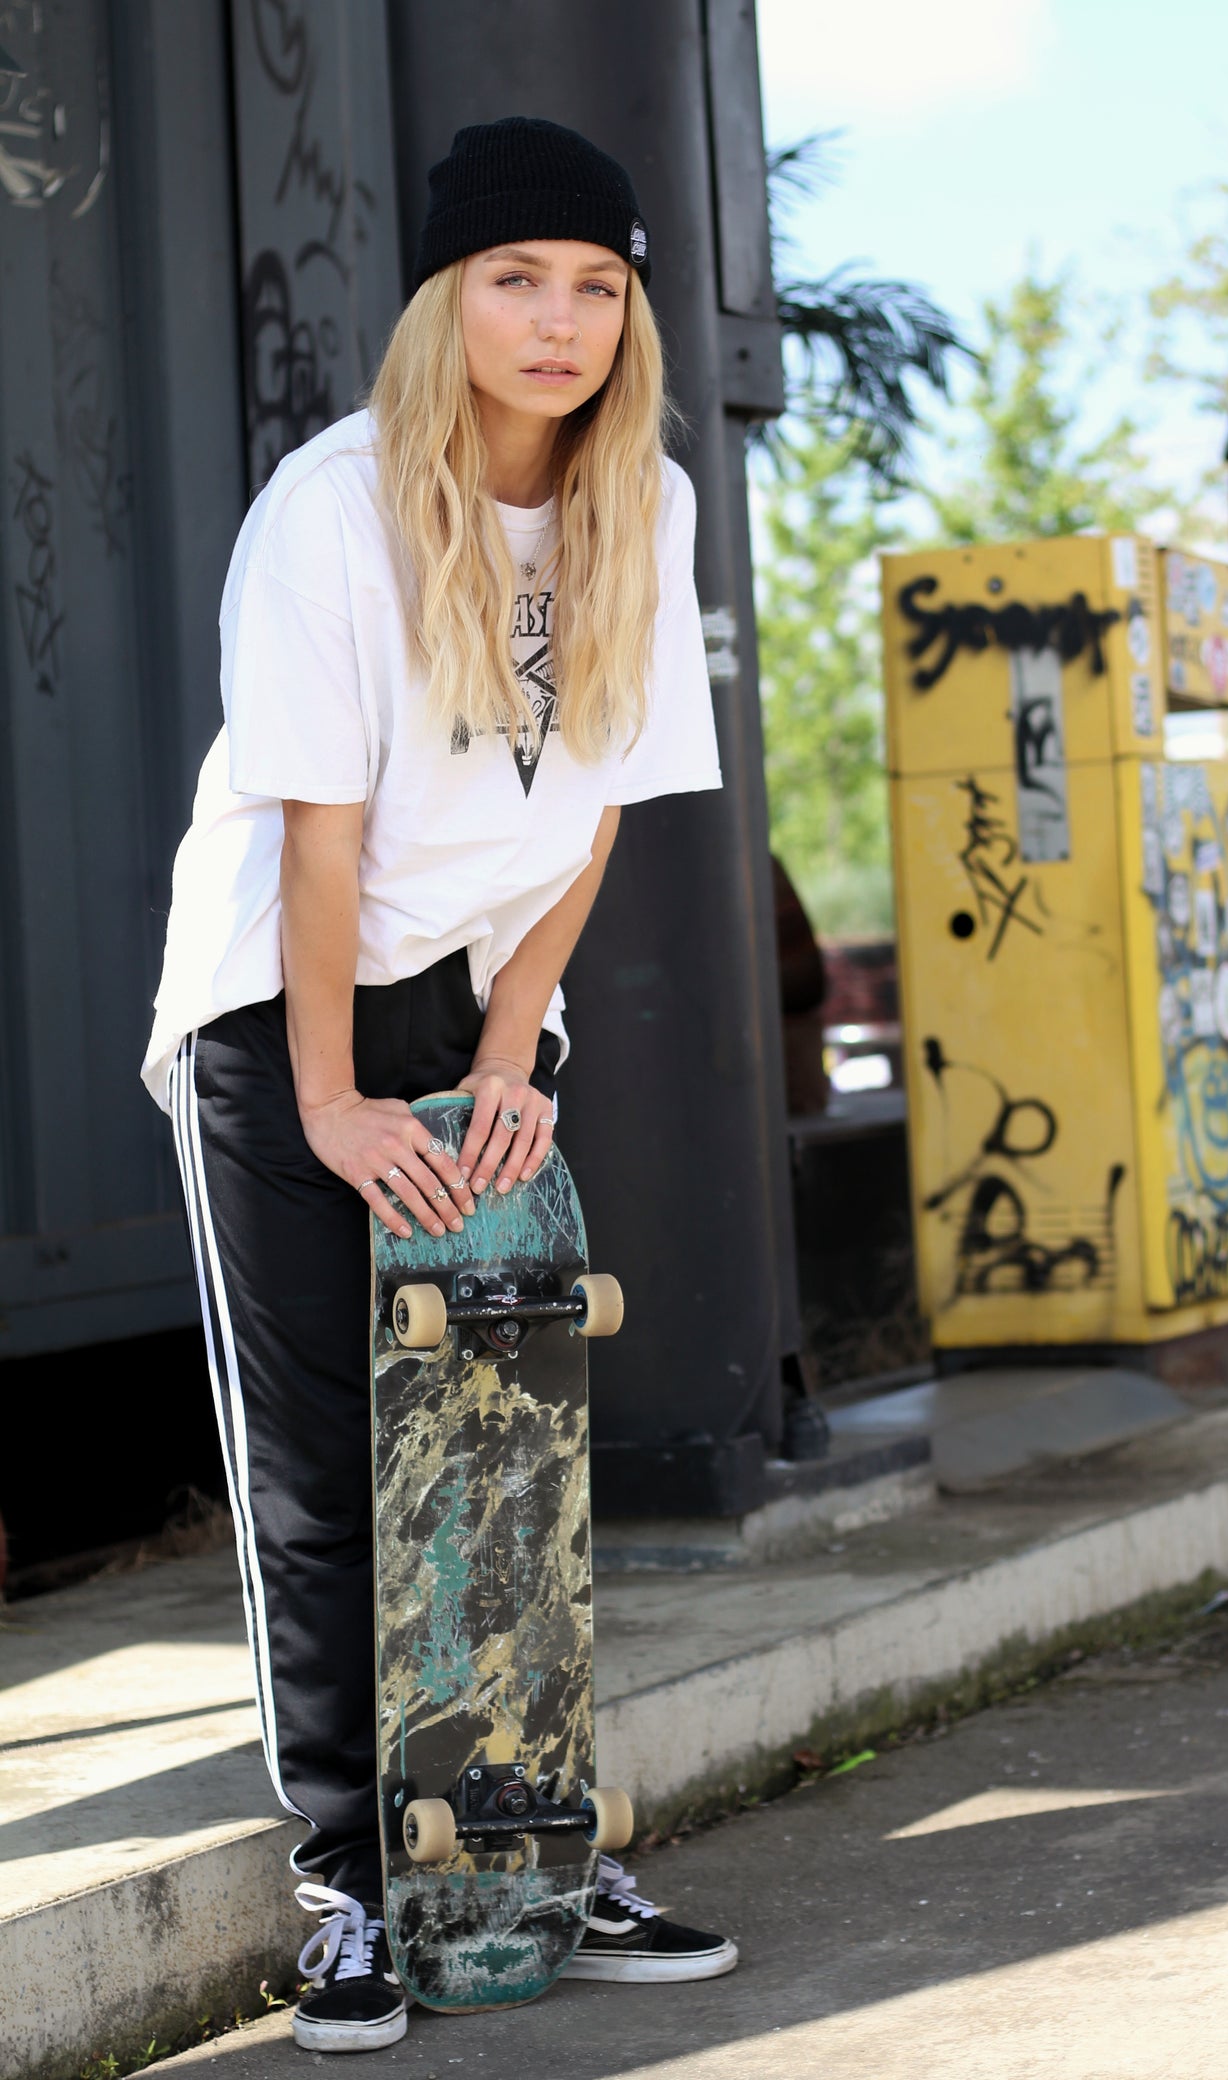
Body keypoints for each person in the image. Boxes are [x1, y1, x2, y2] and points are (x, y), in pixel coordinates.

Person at [142, 116, 739, 2056]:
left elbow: (589, 825)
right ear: (444, 297)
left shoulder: (643, 497)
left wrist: (507, 1057)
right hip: (281, 1014)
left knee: (503, 1451)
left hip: (470, 1011)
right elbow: (323, 836)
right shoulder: (337, 503)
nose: (558, 319)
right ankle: (340, 1875)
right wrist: (327, 1102)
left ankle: (523, 1842)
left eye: (596, 283)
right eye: (515, 277)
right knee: (323, 1477)